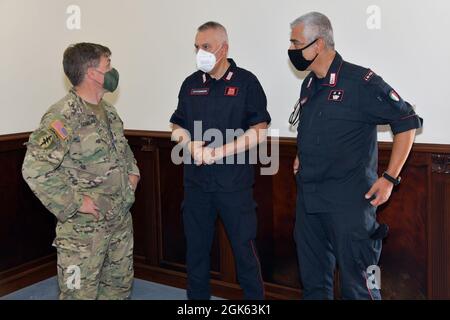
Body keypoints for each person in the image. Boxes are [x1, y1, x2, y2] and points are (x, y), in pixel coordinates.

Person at [287, 12, 423, 299]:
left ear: (318, 44)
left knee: (361, 287)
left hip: (349, 204)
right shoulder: (309, 84)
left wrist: (389, 178)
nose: (291, 50)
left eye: (295, 42)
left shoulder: (360, 81)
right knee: (313, 284)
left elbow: (407, 122)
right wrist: (303, 152)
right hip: (309, 201)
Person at [22, 43, 140, 299]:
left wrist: (133, 175)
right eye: (108, 65)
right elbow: (34, 169)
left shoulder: (109, 110)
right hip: (83, 233)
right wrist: (76, 202)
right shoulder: (62, 116)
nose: (113, 71)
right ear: (92, 73)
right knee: (79, 295)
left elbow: (123, 149)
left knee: (118, 290)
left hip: (119, 222)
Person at [170, 21, 271, 300]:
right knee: (197, 253)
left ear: (223, 48)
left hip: (233, 186)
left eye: (206, 47)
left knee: (244, 252)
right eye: (196, 47)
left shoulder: (246, 82)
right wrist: (189, 144)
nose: (199, 52)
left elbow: (259, 131)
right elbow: (176, 127)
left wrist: (218, 152)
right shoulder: (190, 84)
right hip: (197, 186)